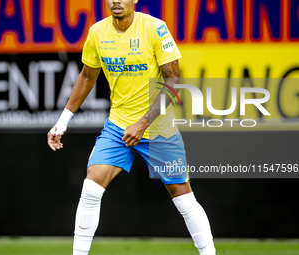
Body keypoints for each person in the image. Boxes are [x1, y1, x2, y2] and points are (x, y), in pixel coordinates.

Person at [47, 0, 216, 254]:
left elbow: (173, 80)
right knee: (91, 187)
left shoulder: (155, 29)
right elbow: (86, 76)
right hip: (118, 126)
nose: (116, 0)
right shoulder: (97, 32)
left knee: (183, 197)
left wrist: (144, 122)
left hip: (159, 128)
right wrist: (62, 122)